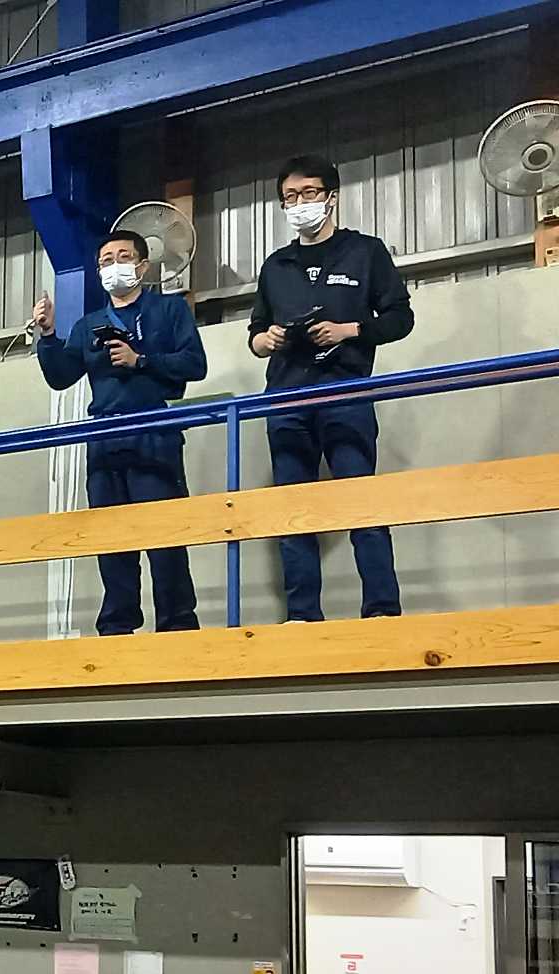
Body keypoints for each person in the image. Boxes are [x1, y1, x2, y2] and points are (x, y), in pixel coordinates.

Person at [249, 154, 414, 622]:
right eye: (289, 197)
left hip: (345, 394)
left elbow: (400, 318)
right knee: (294, 510)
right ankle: (302, 615)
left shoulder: (365, 251)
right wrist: (266, 340)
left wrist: (350, 330)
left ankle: (382, 610)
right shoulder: (276, 265)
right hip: (285, 399)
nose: (299, 203)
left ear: (331, 197)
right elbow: (255, 333)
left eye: (309, 193)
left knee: (360, 503)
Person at [32, 230, 208, 636]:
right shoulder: (89, 325)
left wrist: (141, 360)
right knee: (111, 539)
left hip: (153, 432)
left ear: (143, 266)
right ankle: (117, 625)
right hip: (104, 439)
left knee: (164, 536)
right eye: (106, 261)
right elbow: (61, 376)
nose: (114, 266)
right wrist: (48, 335)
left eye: (123, 257)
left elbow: (194, 364)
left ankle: (178, 625)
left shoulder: (168, 309)